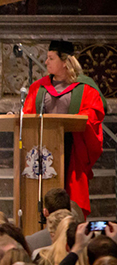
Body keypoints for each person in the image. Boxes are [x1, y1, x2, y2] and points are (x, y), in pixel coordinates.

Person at [22, 40, 106, 218]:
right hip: (42, 148)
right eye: (47, 58)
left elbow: (94, 113)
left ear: (65, 62)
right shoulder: (39, 87)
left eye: (51, 58)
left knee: (70, 194)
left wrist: (75, 120)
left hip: (71, 147)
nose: (46, 62)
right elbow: (28, 112)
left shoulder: (85, 87)